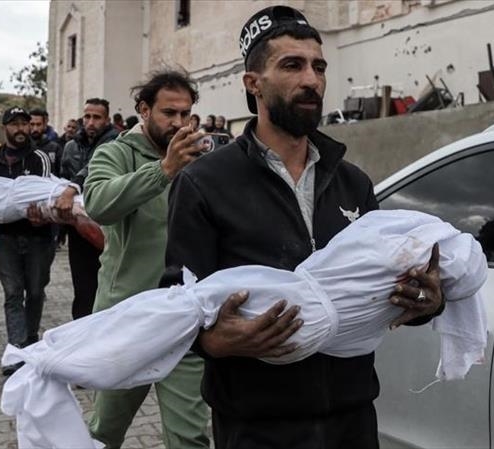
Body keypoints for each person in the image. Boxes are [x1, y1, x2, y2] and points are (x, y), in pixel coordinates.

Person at [160, 7, 446, 448]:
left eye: (319, 67)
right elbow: (176, 301)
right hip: (257, 425)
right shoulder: (203, 183)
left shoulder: (353, 182)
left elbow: (383, 285)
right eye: (292, 65)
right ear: (253, 83)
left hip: (352, 418)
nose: (312, 80)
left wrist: (424, 302)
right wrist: (213, 341)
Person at [83, 71, 210, 449]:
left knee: (190, 437)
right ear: (144, 110)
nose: (178, 123)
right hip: (129, 318)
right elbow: (98, 204)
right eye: (169, 113)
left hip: (186, 318)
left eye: (185, 114)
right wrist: (164, 170)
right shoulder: (115, 153)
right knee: (104, 431)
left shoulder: (199, 159)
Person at [0, 106, 79, 376]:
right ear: (4, 128)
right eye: (14, 124)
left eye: (24, 123)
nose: (21, 129)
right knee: (13, 293)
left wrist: (44, 217)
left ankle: (31, 338)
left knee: (35, 291)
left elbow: (46, 194)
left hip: (38, 237)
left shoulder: (39, 159)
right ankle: (17, 349)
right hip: (6, 239)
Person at [59, 98, 119, 319]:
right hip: (78, 229)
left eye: (97, 117)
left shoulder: (117, 143)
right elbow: (61, 181)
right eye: (87, 116)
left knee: (108, 289)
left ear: (107, 120)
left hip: (109, 227)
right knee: (82, 289)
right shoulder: (71, 147)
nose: (91, 122)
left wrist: (73, 188)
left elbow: (93, 168)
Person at [29, 109, 63, 176]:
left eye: (38, 124)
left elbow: (61, 173)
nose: (35, 128)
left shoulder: (55, 148)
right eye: (32, 124)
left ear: (44, 125)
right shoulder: (21, 147)